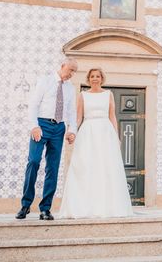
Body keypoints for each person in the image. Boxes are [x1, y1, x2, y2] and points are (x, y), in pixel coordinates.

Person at [59, 67, 133, 218]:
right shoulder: (82, 95)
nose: (94, 78)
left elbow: (112, 116)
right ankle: (84, 206)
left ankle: (108, 207)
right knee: (86, 166)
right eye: (92, 76)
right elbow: (78, 117)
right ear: (88, 78)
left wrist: (116, 135)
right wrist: (72, 131)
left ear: (101, 78)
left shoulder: (108, 94)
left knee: (106, 167)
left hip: (106, 133)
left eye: (97, 76)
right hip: (88, 132)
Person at [16, 57, 78, 220]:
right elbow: (34, 104)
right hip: (41, 125)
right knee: (34, 162)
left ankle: (45, 208)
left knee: (53, 167)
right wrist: (34, 126)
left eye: (74, 71)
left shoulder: (70, 88)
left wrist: (72, 130)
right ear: (63, 66)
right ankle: (25, 204)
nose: (72, 74)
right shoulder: (45, 81)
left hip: (59, 128)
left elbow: (71, 111)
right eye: (71, 69)